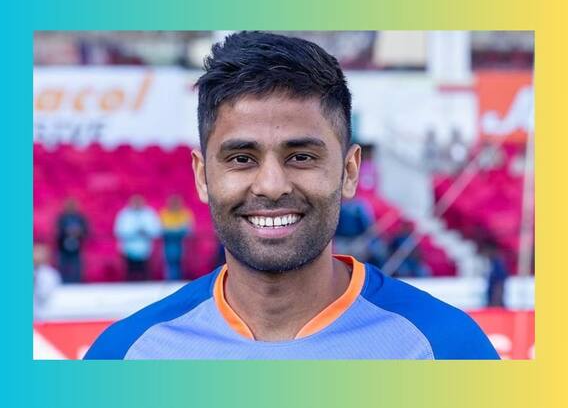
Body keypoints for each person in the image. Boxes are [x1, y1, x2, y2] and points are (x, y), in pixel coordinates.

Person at [86, 31, 498, 360]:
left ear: (349, 171)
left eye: (301, 157)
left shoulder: (446, 350)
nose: (271, 185)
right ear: (202, 175)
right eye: (242, 158)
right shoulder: (126, 356)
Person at [113, 195, 161, 281]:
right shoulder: (124, 214)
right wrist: (134, 232)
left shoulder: (149, 214)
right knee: (130, 275)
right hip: (129, 249)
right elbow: (119, 231)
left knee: (145, 274)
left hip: (145, 249)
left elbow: (156, 231)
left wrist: (145, 231)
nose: (137, 204)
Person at [160, 194, 194, 280]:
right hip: (168, 242)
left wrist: (175, 230)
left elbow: (188, 229)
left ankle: (179, 279)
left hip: (182, 242)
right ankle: (170, 280)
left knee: (180, 262)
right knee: (169, 262)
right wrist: (176, 230)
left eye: (176, 204)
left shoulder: (185, 213)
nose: (175, 206)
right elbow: (162, 228)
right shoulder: (165, 213)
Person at [56, 198, 88, 283]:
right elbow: (57, 231)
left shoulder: (80, 218)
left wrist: (79, 232)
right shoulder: (62, 218)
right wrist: (66, 232)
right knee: (63, 266)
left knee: (77, 267)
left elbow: (86, 231)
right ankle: (63, 282)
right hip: (63, 247)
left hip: (77, 247)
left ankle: (76, 282)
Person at [33, 243, 62, 320]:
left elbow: (45, 294)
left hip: (46, 314)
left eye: (41, 253)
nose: (38, 256)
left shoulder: (51, 274)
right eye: (36, 252)